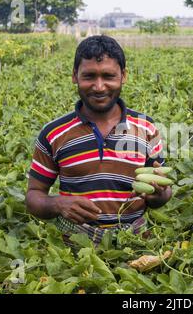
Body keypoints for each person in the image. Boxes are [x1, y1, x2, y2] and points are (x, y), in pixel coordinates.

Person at [25, 35, 172, 246]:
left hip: (134, 243)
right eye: (89, 76)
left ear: (123, 76)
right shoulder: (53, 133)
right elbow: (33, 196)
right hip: (74, 244)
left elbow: (161, 195)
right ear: (75, 76)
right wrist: (58, 204)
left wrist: (159, 193)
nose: (99, 86)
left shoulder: (146, 128)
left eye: (108, 76)